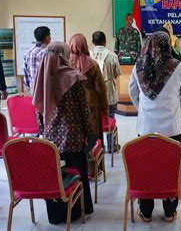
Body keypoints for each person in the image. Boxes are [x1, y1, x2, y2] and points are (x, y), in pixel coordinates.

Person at [129, 31, 181, 223]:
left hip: (146, 127)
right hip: (172, 129)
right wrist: (177, 112)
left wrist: (143, 110)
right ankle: (169, 211)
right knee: (171, 167)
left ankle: (146, 211)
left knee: (146, 168)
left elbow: (132, 92)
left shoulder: (139, 66)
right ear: (168, 45)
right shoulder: (178, 66)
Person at [33, 42, 96, 223]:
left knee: (55, 174)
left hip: (50, 137)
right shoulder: (73, 77)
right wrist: (90, 133)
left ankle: (57, 214)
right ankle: (78, 210)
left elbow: (38, 110)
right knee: (77, 171)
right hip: (74, 136)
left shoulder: (42, 77)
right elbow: (84, 110)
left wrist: (43, 132)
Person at [69, 33, 109, 176]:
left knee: (78, 137)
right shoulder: (92, 64)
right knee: (94, 136)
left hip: (73, 107)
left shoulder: (67, 63)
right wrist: (105, 107)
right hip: (92, 104)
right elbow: (100, 89)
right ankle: (95, 169)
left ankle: (78, 170)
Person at [90, 31, 121, 118]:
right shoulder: (113, 56)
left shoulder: (88, 56)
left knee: (95, 120)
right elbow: (117, 73)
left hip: (94, 95)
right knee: (110, 119)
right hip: (109, 94)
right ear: (105, 41)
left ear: (93, 42)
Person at [23, 26, 51, 91]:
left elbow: (25, 72)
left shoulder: (28, 52)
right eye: (50, 36)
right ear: (47, 37)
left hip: (32, 87)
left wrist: (29, 87)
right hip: (44, 88)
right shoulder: (47, 53)